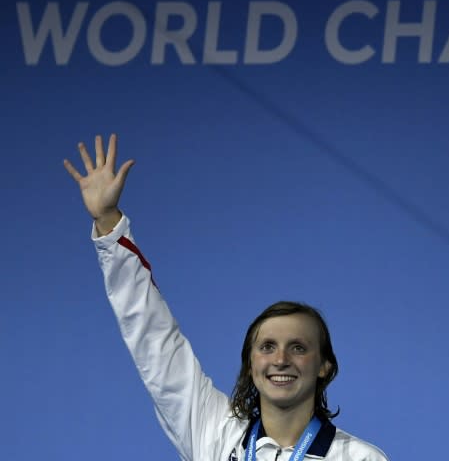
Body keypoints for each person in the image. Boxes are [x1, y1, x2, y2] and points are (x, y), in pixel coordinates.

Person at [64, 134, 389, 461]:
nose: (280, 360)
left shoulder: (360, 458)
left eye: (299, 348)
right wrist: (108, 221)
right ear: (250, 363)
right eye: (267, 347)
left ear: (324, 366)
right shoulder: (214, 433)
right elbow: (154, 340)